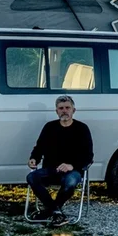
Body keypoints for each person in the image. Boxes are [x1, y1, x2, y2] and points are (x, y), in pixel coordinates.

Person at [27, 95, 93, 226]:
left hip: (72, 171)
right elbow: (39, 147)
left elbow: (88, 156)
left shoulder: (82, 129)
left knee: (70, 182)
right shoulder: (49, 127)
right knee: (31, 177)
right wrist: (34, 158)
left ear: (73, 110)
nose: (64, 111)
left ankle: (50, 211)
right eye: (61, 108)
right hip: (51, 169)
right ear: (56, 111)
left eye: (67, 107)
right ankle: (56, 212)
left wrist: (71, 165)